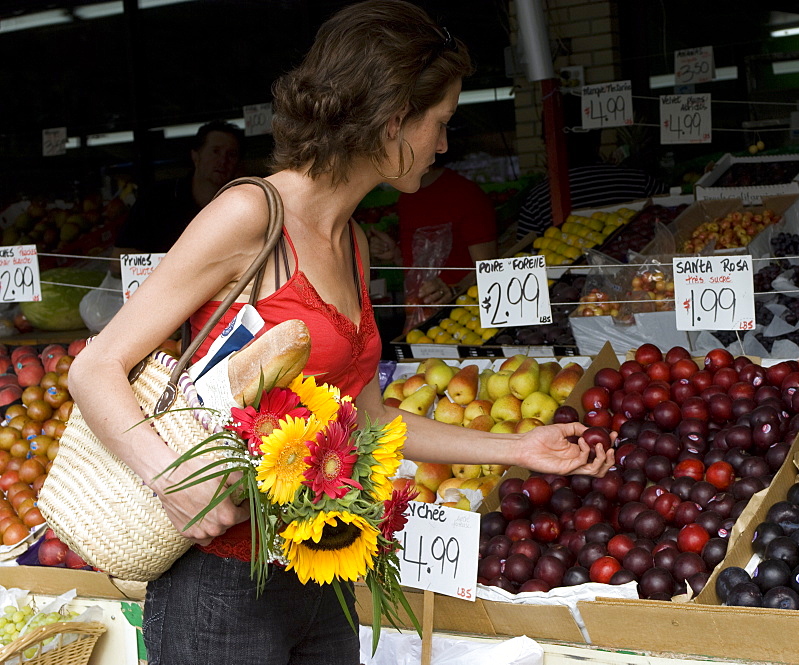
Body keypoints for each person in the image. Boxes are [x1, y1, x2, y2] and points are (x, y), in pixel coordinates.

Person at [67, 3, 613, 664]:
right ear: (392, 123)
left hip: (318, 562)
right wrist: (170, 480)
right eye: (439, 123)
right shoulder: (249, 215)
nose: (444, 144)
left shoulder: (352, 240)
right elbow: (93, 369)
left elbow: (368, 419)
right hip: (218, 580)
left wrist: (519, 446)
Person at [368, 162, 497, 307]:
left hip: (463, 314)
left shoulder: (465, 194)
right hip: (419, 315)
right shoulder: (407, 198)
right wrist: (396, 255)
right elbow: (419, 265)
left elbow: (489, 270)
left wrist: (453, 291)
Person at [516, 118, 666, 240]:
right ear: (598, 139)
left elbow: (526, 256)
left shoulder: (537, 199)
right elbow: (674, 222)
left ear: (550, 145)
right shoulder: (639, 181)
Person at [115, 120, 243, 254]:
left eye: (231, 154)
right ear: (196, 156)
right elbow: (118, 259)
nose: (223, 161)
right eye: (215, 151)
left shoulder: (243, 206)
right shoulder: (156, 199)